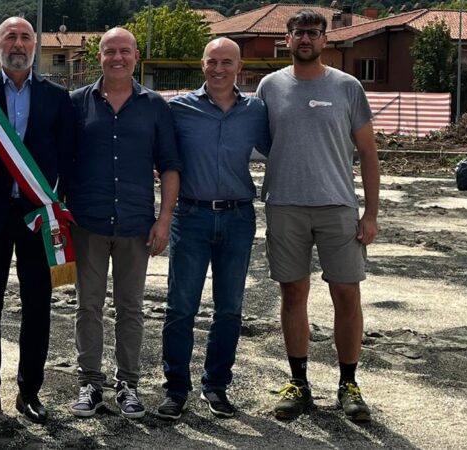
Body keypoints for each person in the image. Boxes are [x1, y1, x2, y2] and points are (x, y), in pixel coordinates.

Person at [255, 9, 380, 422]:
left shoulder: (348, 87)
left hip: (338, 206)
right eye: (297, 33)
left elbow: (367, 153)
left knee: (346, 294)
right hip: (285, 204)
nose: (305, 39)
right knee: (293, 294)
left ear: (325, 39)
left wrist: (371, 214)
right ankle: (299, 383)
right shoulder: (269, 87)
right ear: (286, 40)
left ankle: (348, 383)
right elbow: (249, 139)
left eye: (312, 32)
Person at [0, 17, 74, 425]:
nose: (18, 43)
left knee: (38, 306)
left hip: (38, 219)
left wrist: (60, 208)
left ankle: (30, 392)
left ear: (35, 45)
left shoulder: (58, 98)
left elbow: (67, 158)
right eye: (11, 36)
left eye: (26, 37)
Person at [67, 27, 181, 419]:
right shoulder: (76, 104)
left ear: (136, 56)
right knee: (88, 306)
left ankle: (128, 385)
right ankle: (90, 384)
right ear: (99, 57)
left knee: (131, 308)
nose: (117, 58)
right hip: (87, 223)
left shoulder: (155, 107)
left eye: (125, 51)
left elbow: (169, 166)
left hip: (136, 224)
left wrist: (164, 220)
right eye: (109, 51)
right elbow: (59, 161)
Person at [156, 38, 270, 421]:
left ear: (239, 67)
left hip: (238, 218)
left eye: (227, 62)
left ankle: (216, 386)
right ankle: (175, 390)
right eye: (212, 62)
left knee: (230, 309)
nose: (219, 69)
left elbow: (284, 148)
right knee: (181, 307)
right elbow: (160, 158)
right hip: (191, 217)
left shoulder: (256, 111)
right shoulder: (179, 110)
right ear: (202, 65)